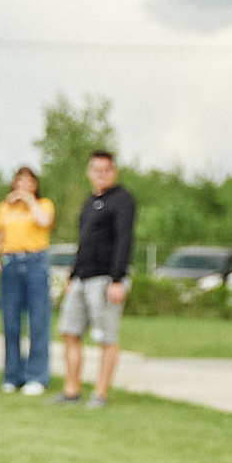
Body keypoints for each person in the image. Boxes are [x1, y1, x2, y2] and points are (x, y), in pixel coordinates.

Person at [58, 150, 134, 408]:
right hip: (81, 278)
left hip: (105, 279)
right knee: (69, 332)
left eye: (106, 170)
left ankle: (100, 393)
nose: (101, 174)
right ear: (89, 172)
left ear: (114, 171)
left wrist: (117, 279)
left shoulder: (122, 200)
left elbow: (124, 239)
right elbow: (83, 242)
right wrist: (72, 276)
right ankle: (71, 390)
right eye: (96, 169)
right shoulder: (89, 202)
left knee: (105, 337)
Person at [0, 165, 56, 395]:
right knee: (11, 322)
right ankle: (12, 375)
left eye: (29, 182)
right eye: (20, 181)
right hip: (11, 263)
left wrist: (29, 200)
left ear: (35, 185)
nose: (24, 186)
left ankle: (36, 375)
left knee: (38, 321)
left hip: (35, 261)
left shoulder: (44, 204)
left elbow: (44, 222)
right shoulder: (5, 208)